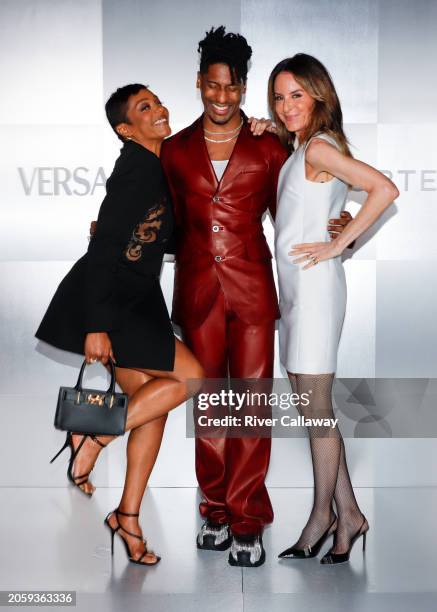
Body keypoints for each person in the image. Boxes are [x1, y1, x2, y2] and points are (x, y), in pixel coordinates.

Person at [160, 27, 352, 567]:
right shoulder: (173, 152)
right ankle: (215, 510)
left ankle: (248, 518)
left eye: (233, 88)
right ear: (200, 83)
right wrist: (120, 236)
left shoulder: (270, 145)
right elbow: (170, 225)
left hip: (252, 294)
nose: (222, 98)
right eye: (213, 87)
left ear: (244, 88)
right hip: (196, 292)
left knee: (248, 409)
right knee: (210, 410)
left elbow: (297, 206)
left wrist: (339, 224)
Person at [36, 84, 204, 566]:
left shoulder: (161, 163)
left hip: (139, 297)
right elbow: (107, 247)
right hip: (116, 302)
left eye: (157, 100)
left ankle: (127, 517)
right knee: (189, 378)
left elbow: (147, 237)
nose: (159, 109)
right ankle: (94, 436)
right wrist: (97, 325)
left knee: (154, 404)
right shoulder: (135, 166)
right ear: (125, 130)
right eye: (144, 108)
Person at [269, 54, 399, 564]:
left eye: (297, 94)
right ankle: (351, 515)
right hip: (297, 293)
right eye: (279, 97)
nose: (286, 106)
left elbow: (383, 189)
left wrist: (339, 243)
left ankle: (322, 517)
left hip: (317, 291)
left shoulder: (319, 148)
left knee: (317, 411)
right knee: (310, 409)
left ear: (319, 95)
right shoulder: (302, 147)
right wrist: (336, 230)